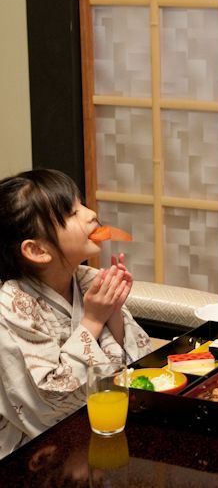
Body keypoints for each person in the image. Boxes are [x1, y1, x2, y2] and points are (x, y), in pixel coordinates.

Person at [0, 169, 152, 459]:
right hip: (35, 455)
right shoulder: (10, 307)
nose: (91, 213)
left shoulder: (86, 279)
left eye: (81, 203)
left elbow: (138, 366)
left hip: (102, 432)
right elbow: (48, 406)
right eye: (72, 213)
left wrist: (113, 313)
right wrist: (93, 320)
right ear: (37, 250)